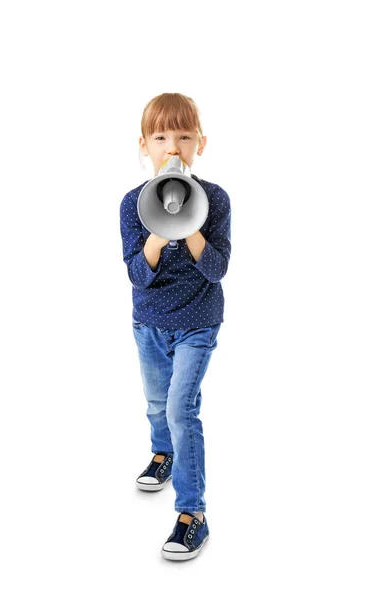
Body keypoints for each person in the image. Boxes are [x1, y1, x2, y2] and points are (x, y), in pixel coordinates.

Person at [119, 92, 231, 560]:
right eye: (161, 137)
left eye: (184, 137)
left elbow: (217, 268)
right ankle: (162, 455)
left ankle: (193, 515)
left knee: (181, 410)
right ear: (143, 145)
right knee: (156, 404)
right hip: (149, 324)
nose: (173, 148)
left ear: (199, 144)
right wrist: (159, 231)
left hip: (198, 325)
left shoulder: (217, 200)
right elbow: (138, 273)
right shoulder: (133, 204)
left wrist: (191, 222)